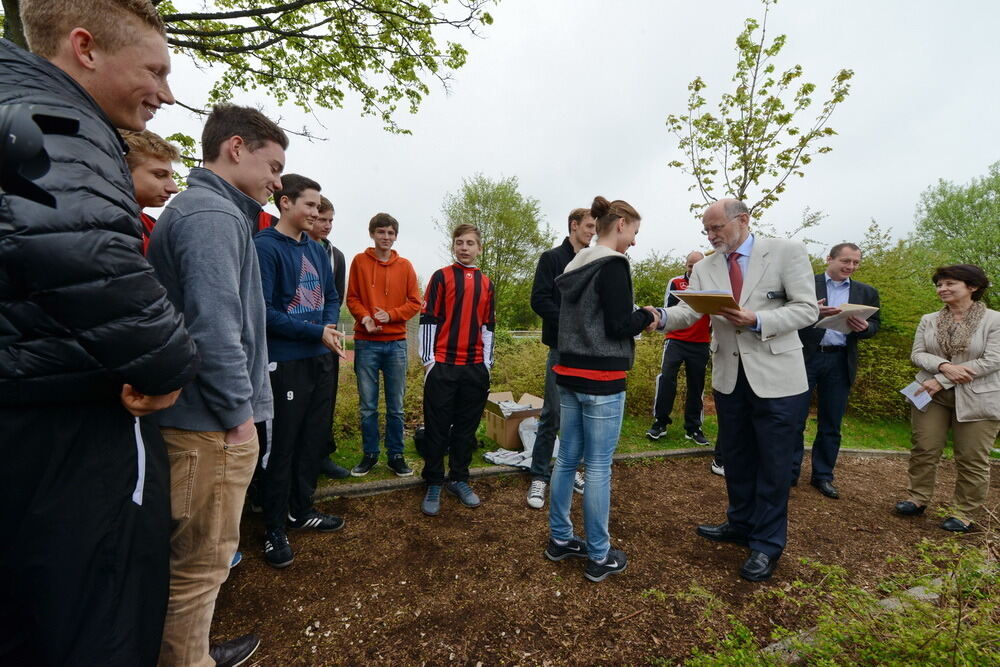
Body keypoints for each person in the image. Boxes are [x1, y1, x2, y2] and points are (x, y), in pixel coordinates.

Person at [0, 1, 199, 664]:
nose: (168, 94)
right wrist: (167, 361)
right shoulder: (53, 119)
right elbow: (75, 249)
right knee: (99, 618)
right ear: (85, 48)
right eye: (155, 70)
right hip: (64, 439)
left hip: (32, 413)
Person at [148, 103, 288, 667]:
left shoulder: (208, 211)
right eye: (273, 165)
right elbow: (215, 329)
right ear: (236, 148)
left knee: (197, 562)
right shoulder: (211, 216)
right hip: (209, 427)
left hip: (204, 421)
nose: (277, 181)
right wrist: (239, 418)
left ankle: (192, 652)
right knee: (199, 566)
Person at [658, 199, 818, 582]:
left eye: (717, 229)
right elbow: (691, 312)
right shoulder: (706, 266)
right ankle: (740, 523)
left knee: (774, 464)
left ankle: (766, 544)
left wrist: (758, 318)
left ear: (742, 220)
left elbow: (807, 310)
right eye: (707, 231)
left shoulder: (786, 252)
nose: (712, 237)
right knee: (738, 457)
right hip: (730, 377)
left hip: (779, 378)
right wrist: (659, 316)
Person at [543, 196, 656, 583]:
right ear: (620, 224)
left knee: (567, 459)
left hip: (570, 372)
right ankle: (599, 553)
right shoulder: (612, 264)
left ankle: (560, 539)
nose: (635, 242)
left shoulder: (576, 262)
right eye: (635, 232)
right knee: (598, 467)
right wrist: (649, 316)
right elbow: (618, 324)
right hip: (602, 380)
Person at [254, 174, 347, 569]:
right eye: (309, 205)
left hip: (319, 358)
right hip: (284, 361)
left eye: (317, 206)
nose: (315, 212)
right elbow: (265, 312)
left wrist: (326, 329)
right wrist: (316, 330)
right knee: (282, 446)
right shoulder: (265, 247)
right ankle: (273, 527)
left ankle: (301, 509)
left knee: (312, 438)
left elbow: (330, 296)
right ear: (285, 203)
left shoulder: (316, 249)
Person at [895, 264, 1000, 533]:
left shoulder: (994, 320)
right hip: (929, 395)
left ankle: (964, 512)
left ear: (972, 287)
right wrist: (943, 365)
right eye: (939, 284)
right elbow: (917, 354)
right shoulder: (929, 319)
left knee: (971, 459)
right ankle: (916, 498)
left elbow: (992, 360)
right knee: (924, 449)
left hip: (977, 398)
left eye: (950, 283)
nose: (942, 289)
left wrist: (941, 379)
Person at [418, 224, 496, 515]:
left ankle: (459, 479)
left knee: (465, 429)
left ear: (479, 248)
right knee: (437, 428)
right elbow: (428, 319)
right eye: (460, 242)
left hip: (474, 367)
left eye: (470, 243)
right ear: (454, 246)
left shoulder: (487, 283)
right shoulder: (441, 277)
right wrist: (429, 362)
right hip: (444, 366)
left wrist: (486, 364)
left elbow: (489, 327)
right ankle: (435, 481)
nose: (464, 247)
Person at [793, 243, 881, 499]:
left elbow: (876, 325)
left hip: (839, 362)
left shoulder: (866, 292)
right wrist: (811, 313)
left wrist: (864, 327)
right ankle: (788, 473)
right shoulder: (805, 284)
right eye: (845, 261)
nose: (850, 267)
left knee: (831, 423)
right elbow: (785, 315)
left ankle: (823, 476)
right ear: (829, 259)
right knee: (794, 420)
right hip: (804, 359)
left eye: (855, 263)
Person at [525, 207, 596, 509]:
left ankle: (570, 470)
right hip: (561, 348)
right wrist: (571, 322)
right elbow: (539, 299)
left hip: (589, 351)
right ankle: (539, 475)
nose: (593, 231)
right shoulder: (552, 258)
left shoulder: (597, 261)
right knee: (551, 414)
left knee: (577, 417)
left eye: (596, 227)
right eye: (589, 226)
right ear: (574, 225)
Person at [346, 213, 422, 477]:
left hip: (396, 345)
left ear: (395, 236)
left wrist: (391, 315)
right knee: (368, 405)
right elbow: (352, 298)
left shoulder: (406, 266)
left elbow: (415, 302)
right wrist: (365, 318)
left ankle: (396, 455)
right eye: (381, 232)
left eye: (390, 233)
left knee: (396, 406)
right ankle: (369, 454)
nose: (386, 238)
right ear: (372, 234)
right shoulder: (359, 262)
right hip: (366, 343)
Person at [647, 251, 717, 467]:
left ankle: (693, 427)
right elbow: (668, 309)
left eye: (696, 265)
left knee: (696, 385)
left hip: (700, 342)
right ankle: (660, 423)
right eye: (689, 265)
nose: (692, 269)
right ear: (685, 265)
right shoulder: (675, 282)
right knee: (667, 379)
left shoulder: (712, 284)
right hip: (675, 340)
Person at [308, 195, 351, 479]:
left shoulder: (336, 255)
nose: (326, 225)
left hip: (327, 338)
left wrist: (329, 329)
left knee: (326, 399)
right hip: (298, 337)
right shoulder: (294, 247)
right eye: (322, 219)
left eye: (331, 220)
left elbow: (336, 296)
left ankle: (322, 454)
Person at [120, 129, 181, 254]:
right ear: (123, 170)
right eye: (159, 175)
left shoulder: (153, 228)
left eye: (171, 176)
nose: (174, 188)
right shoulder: (94, 221)